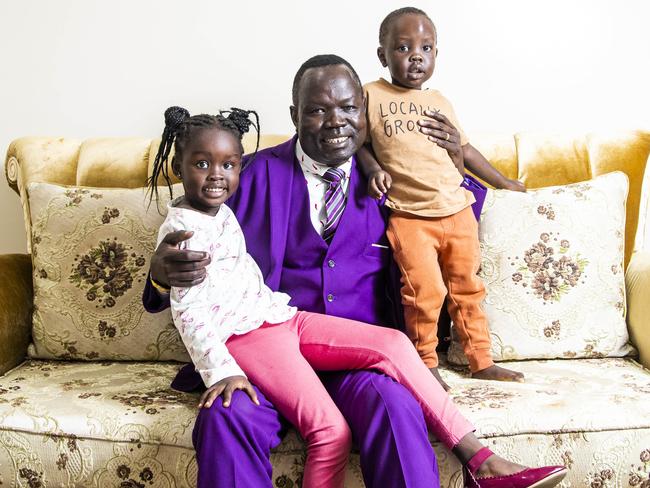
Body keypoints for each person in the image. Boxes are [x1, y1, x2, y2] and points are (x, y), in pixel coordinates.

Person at [143, 56, 566, 488]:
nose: (335, 122)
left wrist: (455, 157)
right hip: (260, 357)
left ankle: (484, 467)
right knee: (226, 415)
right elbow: (191, 243)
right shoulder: (243, 175)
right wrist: (159, 274)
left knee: (397, 408)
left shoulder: (395, 178)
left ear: (364, 112)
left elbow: (454, 213)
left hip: (357, 364)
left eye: (348, 108)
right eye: (318, 110)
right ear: (295, 116)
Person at [357, 7, 526, 390]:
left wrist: (501, 180)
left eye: (426, 47)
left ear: (436, 54)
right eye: (403, 47)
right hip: (410, 216)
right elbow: (360, 145)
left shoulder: (440, 100)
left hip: (458, 210)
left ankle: (481, 360)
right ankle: (424, 362)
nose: (416, 55)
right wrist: (373, 170)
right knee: (424, 291)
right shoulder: (372, 94)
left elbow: (463, 149)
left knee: (467, 286)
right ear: (383, 55)